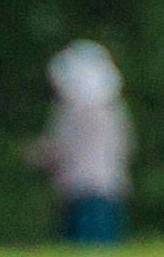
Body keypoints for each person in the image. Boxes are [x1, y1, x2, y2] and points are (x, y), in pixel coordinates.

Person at [26, 41, 133, 246]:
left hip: (81, 190)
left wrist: (35, 154)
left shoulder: (74, 111)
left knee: (84, 250)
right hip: (109, 189)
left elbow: (61, 148)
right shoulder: (113, 110)